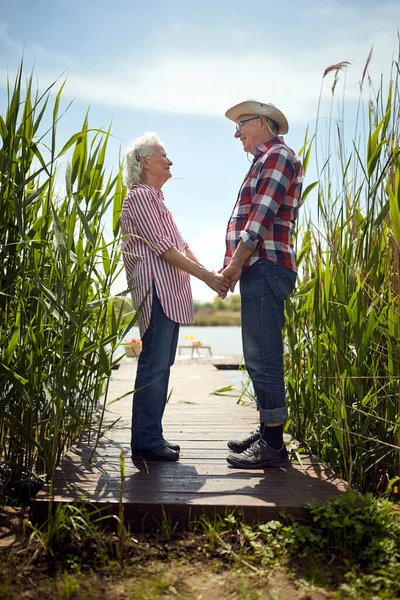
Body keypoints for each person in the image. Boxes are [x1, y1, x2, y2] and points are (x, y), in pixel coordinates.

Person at [121, 132, 229, 461]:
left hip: (169, 292)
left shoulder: (157, 199)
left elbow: (181, 245)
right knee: (154, 366)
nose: (169, 161)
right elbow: (165, 251)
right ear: (144, 162)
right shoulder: (139, 197)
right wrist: (210, 278)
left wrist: (214, 275)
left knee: (161, 364)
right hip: (156, 290)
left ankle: (151, 436)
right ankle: (146, 441)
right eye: (163, 156)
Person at [221, 100, 304, 469]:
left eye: (241, 124)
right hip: (261, 266)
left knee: (265, 353)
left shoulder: (278, 156)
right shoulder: (264, 160)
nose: (237, 133)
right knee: (258, 353)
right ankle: (267, 430)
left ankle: (273, 445)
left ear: (263, 122)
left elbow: (259, 220)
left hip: (266, 264)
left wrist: (235, 265)